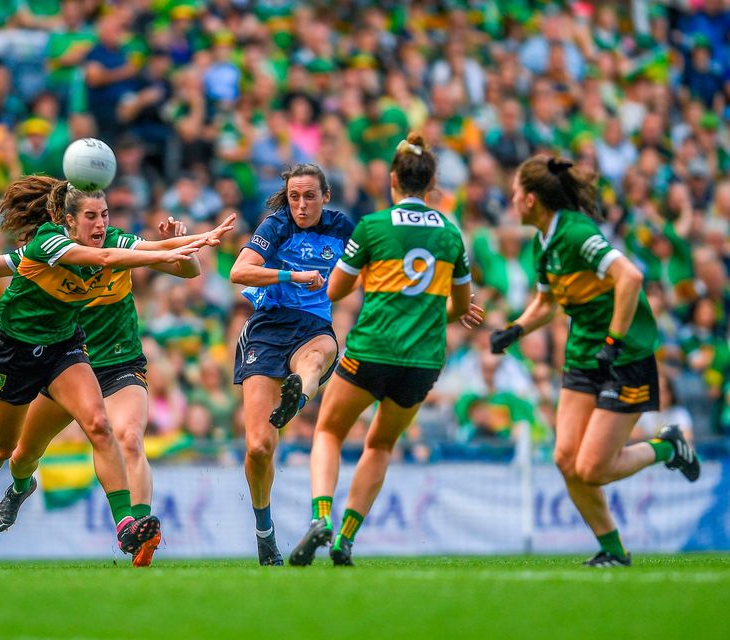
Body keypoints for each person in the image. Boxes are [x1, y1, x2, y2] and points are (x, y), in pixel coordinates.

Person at [0, 192, 234, 567]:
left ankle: (130, 526)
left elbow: (164, 255)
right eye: (91, 216)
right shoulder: (48, 244)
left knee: (111, 431)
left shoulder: (115, 241)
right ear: (69, 220)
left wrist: (192, 242)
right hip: (16, 354)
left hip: (82, 356)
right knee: (10, 450)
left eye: (104, 214)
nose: (101, 224)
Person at [489, 155, 700, 567]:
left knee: (592, 469)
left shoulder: (576, 233)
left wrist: (613, 341)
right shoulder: (542, 242)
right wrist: (516, 329)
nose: (511, 199)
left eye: (515, 192)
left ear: (531, 199)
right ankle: (613, 550)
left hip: (624, 357)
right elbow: (547, 303)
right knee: (566, 460)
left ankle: (668, 447)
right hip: (583, 357)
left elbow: (630, 278)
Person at [288, 135, 484, 567]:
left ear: (392, 179)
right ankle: (345, 540)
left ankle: (322, 515)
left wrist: (366, 274)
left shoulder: (373, 227)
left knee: (328, 432)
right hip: (423, 361)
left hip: (373, 349)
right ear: (431, 182)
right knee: (379, 445)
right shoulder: (451, 233)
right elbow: (461, 308)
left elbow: (337, 290)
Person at [229, 163, 354, 565]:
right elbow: (239, 271)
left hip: (314, 326)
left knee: (317, 358)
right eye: (295, 197)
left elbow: (376, 266)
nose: (301, 205)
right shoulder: (276, 224)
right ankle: (265, 534)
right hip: (267, 329)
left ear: (326, 197)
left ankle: (296, 397)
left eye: (310, 196)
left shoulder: (341, 227)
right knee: (260, 446)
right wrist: (293, 275)